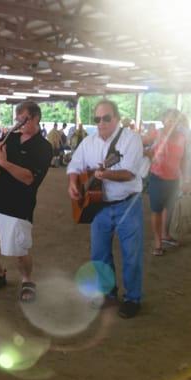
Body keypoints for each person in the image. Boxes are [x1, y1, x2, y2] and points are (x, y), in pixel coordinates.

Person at [67, 100, 144, 319]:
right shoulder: (88, 142)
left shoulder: (131, 140)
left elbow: (129, 172)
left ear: (117, 119)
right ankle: (108, 294)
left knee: (131, 254)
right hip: (98, 206)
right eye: (97, 119)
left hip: (128, 204)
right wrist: (73, 183)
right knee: (99, 254)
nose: (101, 123)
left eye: (106, 118)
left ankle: (132, 299)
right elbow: (74, 166)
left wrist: (105, 174)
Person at [0, 101, 53, 301]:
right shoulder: (10, 138)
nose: (18, 123)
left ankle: (27, 280)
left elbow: (29, 178)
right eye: (17, 119)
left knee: (18, 249)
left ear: (36, 118)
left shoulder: (44, 147)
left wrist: (4, 163)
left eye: (23, 119)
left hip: (18, 206)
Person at [146, 109, 191, 255]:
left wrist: (185, 179)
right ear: (163, 120)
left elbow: (184, 160)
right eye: (169, 119)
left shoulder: (182, 137)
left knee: (169, 209)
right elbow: (138, 145)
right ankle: (158, 242)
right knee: (157, 210)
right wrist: (151, 154)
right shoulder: (156, 134)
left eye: (175, 120)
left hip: (174, 179)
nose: (172, 122)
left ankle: (165, 235)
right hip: (157, 178)